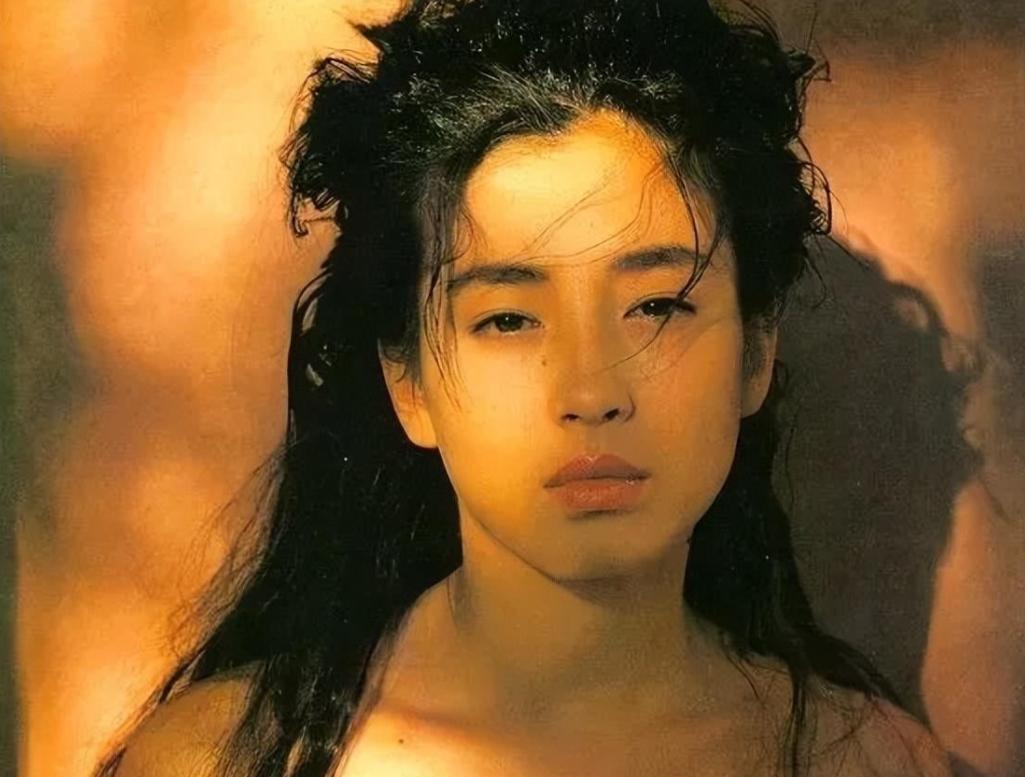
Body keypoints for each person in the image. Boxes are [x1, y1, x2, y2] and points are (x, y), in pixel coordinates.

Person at [100, 1, 956, 775]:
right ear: (407, 381)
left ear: (754, 351)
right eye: (508, 318)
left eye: (657, 305)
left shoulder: (866, 761)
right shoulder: (214, 759)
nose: (590, 390)